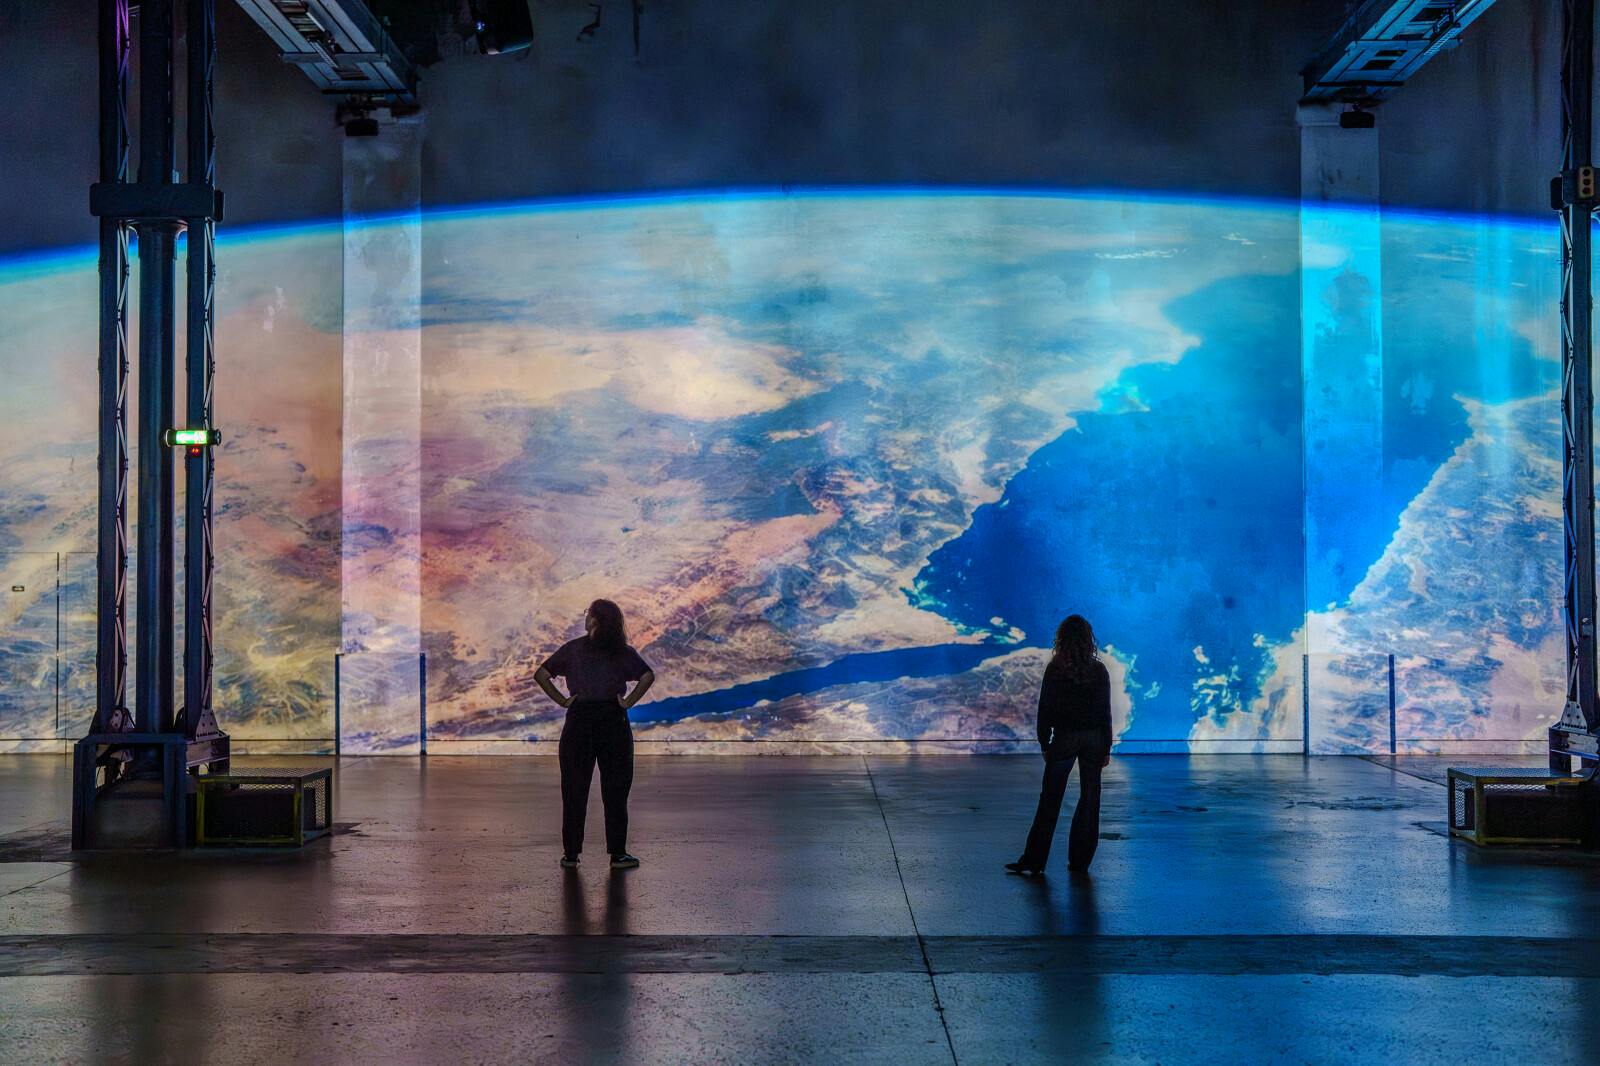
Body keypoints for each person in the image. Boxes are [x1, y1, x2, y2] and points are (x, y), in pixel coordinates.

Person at [534, 599, 655, 870]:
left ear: (596, 619)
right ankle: (618, 854)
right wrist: (629, 701)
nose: (585, 617)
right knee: (616, 790)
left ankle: (571, 854)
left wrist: (564, 701)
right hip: (613, 720)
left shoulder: (574, 649)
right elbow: (647, 676)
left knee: (574, 789)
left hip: (579, 721)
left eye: (588, 613)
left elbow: (541, 674)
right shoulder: (621, 651)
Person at [1007, 614, 1112, 877]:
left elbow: (1046, 709)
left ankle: (1034, 860)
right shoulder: (1099, 670)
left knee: (1050, 801)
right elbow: (1104, 713)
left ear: (1062, 638)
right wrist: (1106, 747)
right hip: (1093, 739)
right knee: (1090, 800)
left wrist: (1044, 741)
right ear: (1089, 639)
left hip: (1065, 738)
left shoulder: (1056, 669)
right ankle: (1080, 863)